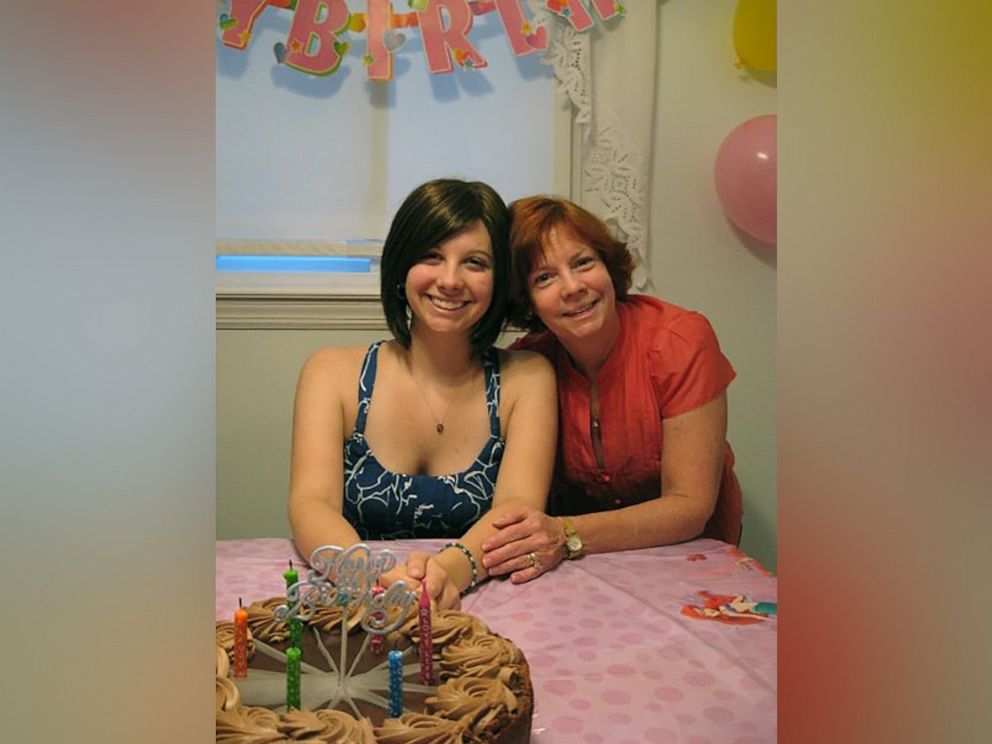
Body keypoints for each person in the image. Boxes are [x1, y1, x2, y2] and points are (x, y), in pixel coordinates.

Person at [288, 179, 557, 609]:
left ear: (499, 279)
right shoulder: (330, 373)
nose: (450, 280)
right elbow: (310, 504)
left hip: (485, 603)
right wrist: (377, 579)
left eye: (474, 262)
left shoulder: (528, 378)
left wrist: (445, 576)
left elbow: (516, 507)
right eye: (431, 256)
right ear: (400, 266)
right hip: (360, 607)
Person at [478, 195, 743, 583]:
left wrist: (566, 533)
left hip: (693, 558)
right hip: (584, 568)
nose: (573, 287)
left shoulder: (680, 340)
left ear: (607, 266)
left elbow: (690, 506)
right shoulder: (528, 365)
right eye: (544, 278)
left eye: (583, 263)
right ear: (527, 300)